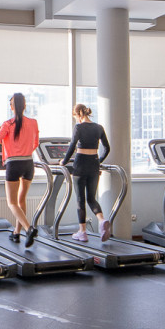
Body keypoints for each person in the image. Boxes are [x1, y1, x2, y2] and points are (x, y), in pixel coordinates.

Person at [0, 92, 40, 247]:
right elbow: (36, 144)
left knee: (12, 202)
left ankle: (28, 229)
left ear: (12, 107)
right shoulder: (33, 122)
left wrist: (0, 129)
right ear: (24, 106)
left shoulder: (7, 124)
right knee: (21, 199)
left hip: (13, 164)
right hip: (28, 163)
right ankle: (17, 233)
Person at [63, 103, 111, 242]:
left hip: (80, 164)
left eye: (75, 117)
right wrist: (99, 161)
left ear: (78, 114)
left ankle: (82, 232)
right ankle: (102, 220)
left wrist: (63, 162)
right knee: (91, 198)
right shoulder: (99, 127)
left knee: (80, 199)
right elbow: (107, 148)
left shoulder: (78, 127)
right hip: (94, 164)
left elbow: (72, 146)